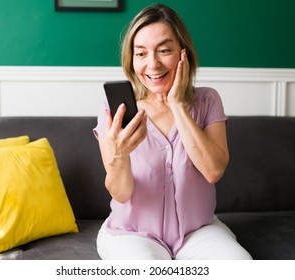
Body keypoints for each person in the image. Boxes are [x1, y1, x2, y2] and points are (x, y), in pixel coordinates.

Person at [93, 3, 252, 260]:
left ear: (183, 54)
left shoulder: (207, 100)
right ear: (131, 60)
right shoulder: (116, 108)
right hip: (133, 234)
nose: (152, 64)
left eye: (164, 50)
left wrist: (177, 103)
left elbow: (213, 171)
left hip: (198, 232)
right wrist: (119, 155)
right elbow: (120, 192)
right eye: (141, 53)